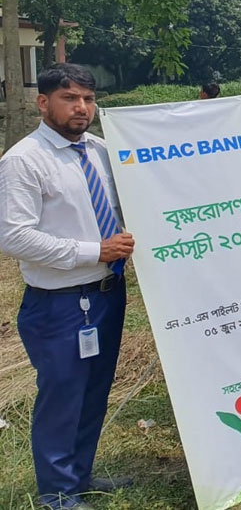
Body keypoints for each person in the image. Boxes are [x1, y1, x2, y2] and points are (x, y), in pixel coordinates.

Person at [0, 64, 136, 510]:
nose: (82, 108)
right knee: (62, 395)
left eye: (88, 99)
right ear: (43, 102)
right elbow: (14, 236)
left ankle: (81, 474)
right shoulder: (24, 159)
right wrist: (92, 251)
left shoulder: (100, 150)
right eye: (70, 98)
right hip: (59, 303)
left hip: (106, 295)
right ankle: (56, 493)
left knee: (94, 389)